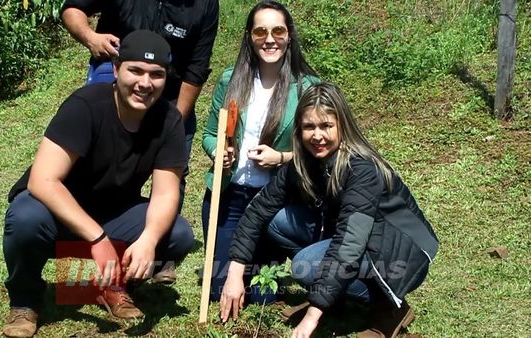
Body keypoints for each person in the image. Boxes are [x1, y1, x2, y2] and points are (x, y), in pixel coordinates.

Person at [1, 30, 194, 338]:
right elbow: (43, 180)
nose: (145, 83)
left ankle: (114, 285)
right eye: (136, 70)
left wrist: (148, 239)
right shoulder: (86, 105)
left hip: (115, 210)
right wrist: (98, 239)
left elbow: (167, 193)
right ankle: (24, 299)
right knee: (24, 218)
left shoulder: (168, 119)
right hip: (57, 210)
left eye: (156, 75)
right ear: (116, 69)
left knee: (178, 235)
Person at [219, 83, 439, 338]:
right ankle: (332, 299)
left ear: (341, 125)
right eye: (309, 127)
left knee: (307, 265)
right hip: (363, 241)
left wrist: (311, 318)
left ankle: (387, 306)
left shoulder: (362, 170)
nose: (317, 136)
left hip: (402, 253)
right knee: (278, 221)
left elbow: (349, 244)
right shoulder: (306, 162)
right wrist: (234, 275)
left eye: (326, 126)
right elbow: (258, 210)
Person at [201, 0, 319, 302]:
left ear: (289, 35)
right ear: (249, 37)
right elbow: (211, 135)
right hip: (228, 196)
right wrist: (219, 153)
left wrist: (280, 158)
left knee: (261, 296)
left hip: (273, 202)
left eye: (278, 31)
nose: (269, 39)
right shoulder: (230, 80)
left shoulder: (307, 88)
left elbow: (321, 151)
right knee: (218, 290)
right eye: (260, 32)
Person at [61, 0, 219, 212]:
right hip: (114, 92)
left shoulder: (205, 4)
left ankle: (159, 240)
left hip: (169, 96)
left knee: (172, 178)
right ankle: (85, 228)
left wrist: (175, 123)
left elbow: (197, 67)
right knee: (93, 166)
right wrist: (91, 37)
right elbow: (73, 8)